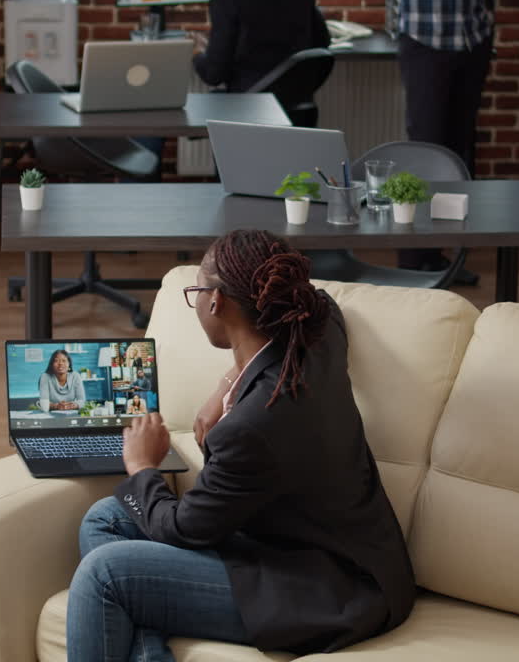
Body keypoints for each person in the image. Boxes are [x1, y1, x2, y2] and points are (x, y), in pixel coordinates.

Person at [66, 230, 415, 660]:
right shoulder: (316, 335)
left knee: (104, 574)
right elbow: (322, 298)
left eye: (195, 290)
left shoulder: (252, 427)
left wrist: (142, 466)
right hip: (315, 547)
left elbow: (184, 530)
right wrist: (227, 385)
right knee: (105, 519)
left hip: (327, 591)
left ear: (215, 302)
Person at [362, 0, 492, 281]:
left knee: (458, 153)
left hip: (472, 38)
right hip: (426, 40)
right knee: (425, 149)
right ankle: (411, 260)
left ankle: (441, 258)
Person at [190, 0, 332, 93]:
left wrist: (197, 52)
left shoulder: (226, 0)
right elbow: (323, 41)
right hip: (296, 106)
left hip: (249, 107)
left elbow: (213, 75)